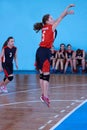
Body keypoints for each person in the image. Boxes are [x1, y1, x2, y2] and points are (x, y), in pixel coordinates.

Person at [33, 4, 75, 107]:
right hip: (45, 52)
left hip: (39, 51)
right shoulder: (51, 27)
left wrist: (66, 14)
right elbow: (59, 18)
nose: (53, 19)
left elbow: (58, 18)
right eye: (51, 18)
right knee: (46, 77)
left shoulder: (44, 27)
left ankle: (43, 95)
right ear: (47, 21)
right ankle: (45, 96)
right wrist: (67, 8)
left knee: (42, 75)